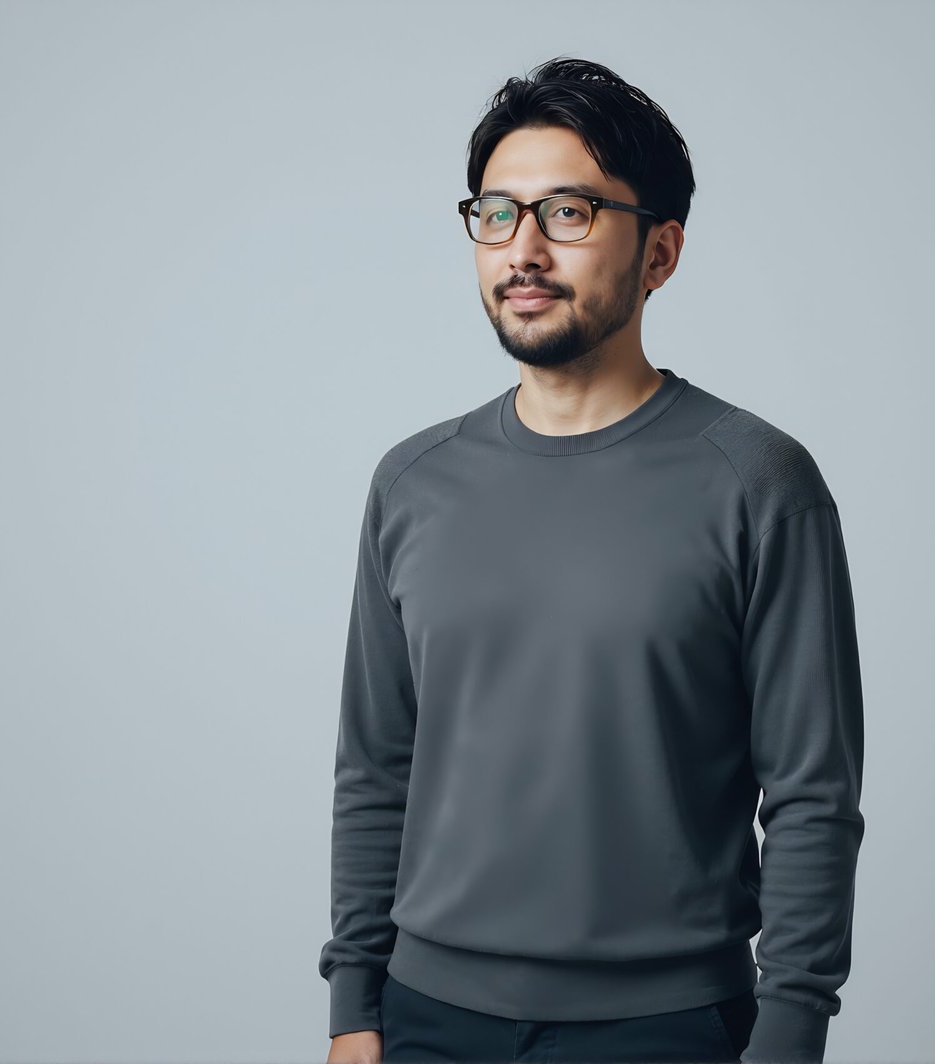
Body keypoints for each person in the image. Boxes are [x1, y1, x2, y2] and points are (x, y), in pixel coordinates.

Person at [320, 56, 865, 1064]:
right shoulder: (412, 482)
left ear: (659, 252)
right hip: (424, 1018)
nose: (522, 249)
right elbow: (375, 765)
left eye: (567, 212)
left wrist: (789, 1035)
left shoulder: (757, 482)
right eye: (496, 213)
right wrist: (354, 1003)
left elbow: (810, 793)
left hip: (663, 1030)